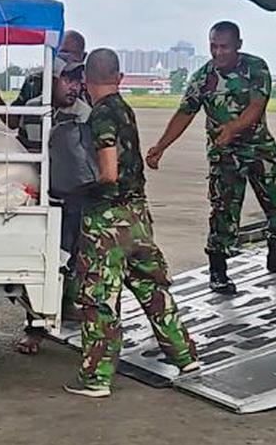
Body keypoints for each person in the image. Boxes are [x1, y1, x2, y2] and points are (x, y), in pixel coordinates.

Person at [65, 49, 199, 398]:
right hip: (137, 215)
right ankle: (185, 356)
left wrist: (77, 189)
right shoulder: (125, 109)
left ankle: (97, 378)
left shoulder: (100, 115)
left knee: (99, 299)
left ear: (85, 81)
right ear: (120, 77)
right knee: (153, 287)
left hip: (106, 220)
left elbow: (108, 172)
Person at [146, 21, 276, 295]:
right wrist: (161, 145)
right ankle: (218, 271)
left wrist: (232, 128)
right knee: (224, 211)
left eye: (224, 46)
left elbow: (257, 106)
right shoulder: (203, 78)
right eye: (213, 46)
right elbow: (185, 113)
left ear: (238, 46)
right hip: (224, 155)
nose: (218, 52)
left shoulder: (256, 68)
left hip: (259, 149)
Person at [11, 58, 91, 355]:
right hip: (39, 196)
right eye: (67, 80)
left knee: (68, 260)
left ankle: (68, 312)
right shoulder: (33, 109)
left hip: (71, 200)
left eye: (77, 80)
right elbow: (22, 150)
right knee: (39, 263)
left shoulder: (84, 114)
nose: (74, 86)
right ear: (52, 80)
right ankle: (34, 328)